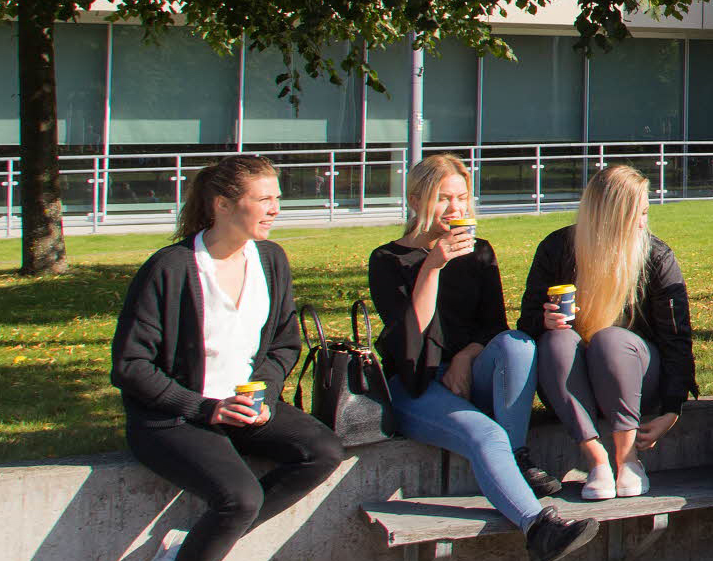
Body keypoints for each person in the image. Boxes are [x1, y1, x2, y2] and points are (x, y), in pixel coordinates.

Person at [113, 155, 349, 561]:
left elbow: (284, 343)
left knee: (324, 451)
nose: (275, 208)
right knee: (240, 499)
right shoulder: (170, 268)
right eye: (263, 199)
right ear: (222, 205)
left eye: (277, 197)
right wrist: (206, 408)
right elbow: (131, 366)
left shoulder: (270, 259)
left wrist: (264, 396)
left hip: (242, 406)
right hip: (175, 416)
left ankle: (198, 542)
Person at [372, 155, 598, 560]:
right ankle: (539, 527)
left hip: (468, 374)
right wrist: (433, 267)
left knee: (517, 343)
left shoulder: (479, 252)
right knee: (486, 436)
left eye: (461, 198)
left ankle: (513, 455)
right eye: (443, 199)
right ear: (414, 200)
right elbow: (410, 339)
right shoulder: (388, 260)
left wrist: (466, 357)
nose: (456, 209)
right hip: (414, 385)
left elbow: (493, 324)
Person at [522, 165, 695, 500]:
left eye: (645, 211)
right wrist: (542, 320)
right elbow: (526, 326)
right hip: (572, 380)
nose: (644, 222)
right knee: (556, 341)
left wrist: (673, 408)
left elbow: (676, 336)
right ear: (608, 214)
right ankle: (597, 460)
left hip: (635, 375)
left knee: (610, 339)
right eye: (636, 213)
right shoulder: (556, 248)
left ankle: (628, 458)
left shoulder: (655, 256)